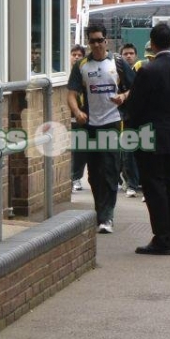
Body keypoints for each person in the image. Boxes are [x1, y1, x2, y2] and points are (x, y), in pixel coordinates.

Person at [126, 22, 170, 255]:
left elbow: (135, 105)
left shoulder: (148, 70)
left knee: (154, 187)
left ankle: (162, 238)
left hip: (150, 134)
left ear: (151, 43)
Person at [67, 23, 123, 234]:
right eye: (93, 41)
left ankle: (107, 216)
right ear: (89, 43)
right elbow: (71, 93)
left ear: (106, 41)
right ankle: (101, 212)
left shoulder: (116, 63)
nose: (97, 44)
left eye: (100, 40)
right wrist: (77, 112)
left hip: (111, 123)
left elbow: (134, 88)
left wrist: (123, 96)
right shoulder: (81, 65)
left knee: (110, 169)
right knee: (94, 173)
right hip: (90, 124)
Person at [119, 43, 141, 197]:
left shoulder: (142, 72)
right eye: (125, 53)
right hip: (121, 118)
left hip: (138, 117)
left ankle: (134, 181)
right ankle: (129, 182)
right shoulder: (115, 74)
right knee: (127, 152)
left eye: (131, 53)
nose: (128, 56)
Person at [70, 44, 87, 192]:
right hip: (67, 119)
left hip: (82, 119)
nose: (76, 57)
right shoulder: (64, 74)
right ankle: (71, 177)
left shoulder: (85, 74)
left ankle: (76, 178)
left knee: (81, 151)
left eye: (79, 55)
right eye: (74, 54)